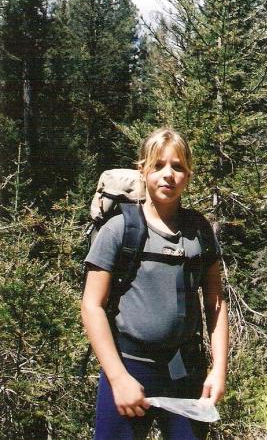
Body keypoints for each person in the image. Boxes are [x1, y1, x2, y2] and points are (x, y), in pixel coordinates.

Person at [81, 128, 228, 439]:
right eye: (158, 165)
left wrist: (218, 369)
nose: (168, 175)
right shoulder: (120, 230)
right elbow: (91, 305)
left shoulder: (199, 230)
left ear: (188, 175)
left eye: (177, 167)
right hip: (129, 367)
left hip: (185, 372)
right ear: (142, 170)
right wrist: (118, 378)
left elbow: (215, 302)